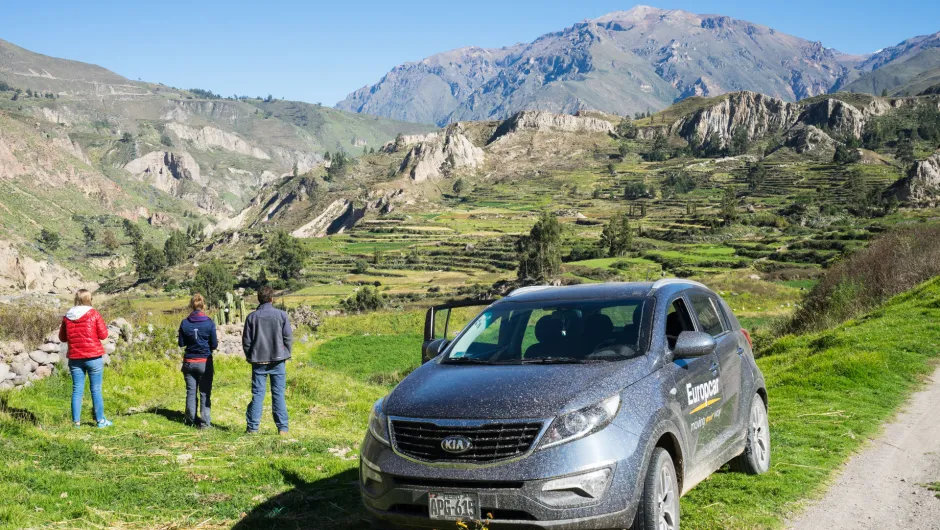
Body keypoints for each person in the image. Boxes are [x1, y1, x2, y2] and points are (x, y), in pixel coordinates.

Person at [242, 285, 292, 435]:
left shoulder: (251, 317)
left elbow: (246, 342)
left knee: (258, 394)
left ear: (259, 299)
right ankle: (282, 428)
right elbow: (288, 337)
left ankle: (253, 428)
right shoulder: (281, 315)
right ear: (272, 299)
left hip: (258, 362)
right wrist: (286, 354)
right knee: (278, 394)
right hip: (278, 360)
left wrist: (250, 356)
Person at [59, 289, 112, 428]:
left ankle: (76, 422)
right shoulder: (94, 314)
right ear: (89, 299)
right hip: (93, 356)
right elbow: (103, 335)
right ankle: (100, 421)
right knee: (95, 389)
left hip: (75, 358)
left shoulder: (67, 316)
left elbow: (62, 338)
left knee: (77, 390)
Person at [177, 293, 218, 429]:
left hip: (189, 362)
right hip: (204, 362)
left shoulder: (185, 322)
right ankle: (205, 423)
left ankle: (190, 419)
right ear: (203, 305)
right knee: (205, 392)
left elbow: (181, 343)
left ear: (191, 306)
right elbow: (214, 344)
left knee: (191, 391)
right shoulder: (209, 322)